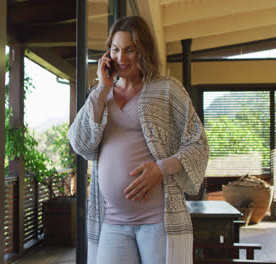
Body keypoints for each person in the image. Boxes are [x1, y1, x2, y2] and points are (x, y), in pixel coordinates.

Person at [68, 16, 209, 264]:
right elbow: (80, 143)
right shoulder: (100, 94)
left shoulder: (167, 89)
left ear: (143, 50)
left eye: (129, 49)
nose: (121, 57)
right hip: (111, 221)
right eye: (115, 49)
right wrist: (101, 88)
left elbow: (198, 144)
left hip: (157, 221)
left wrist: (160, 169)